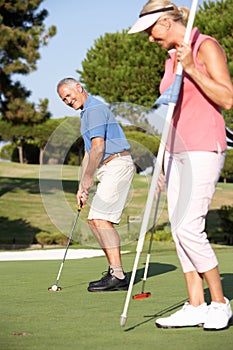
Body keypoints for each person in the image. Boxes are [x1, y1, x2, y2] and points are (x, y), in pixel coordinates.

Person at [128, 0, 233, 331]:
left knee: (189, 226)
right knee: (178, 231)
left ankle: (219, 302)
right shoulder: (171, 58)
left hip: (204, 145)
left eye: (149, 32)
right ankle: (196, 304)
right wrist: (161, 160)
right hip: (174, 152)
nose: (148, 39)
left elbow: (227, 98)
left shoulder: (205, 46)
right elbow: (173, 112)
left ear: (163, 24)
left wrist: (191, 68)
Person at [57, 78, 134, 292]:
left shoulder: (95, 108)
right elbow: (89, 152)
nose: (68, 101)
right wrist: (83, 183)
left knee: (100, 219)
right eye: (64, 100)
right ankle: (115, 272)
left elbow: (99, 147)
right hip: (108, 168)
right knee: (93, 221)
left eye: (69, 95)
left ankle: (118, 275)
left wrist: (90, 177)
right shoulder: (86, 114)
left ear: (79, 88)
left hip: (117, 163)